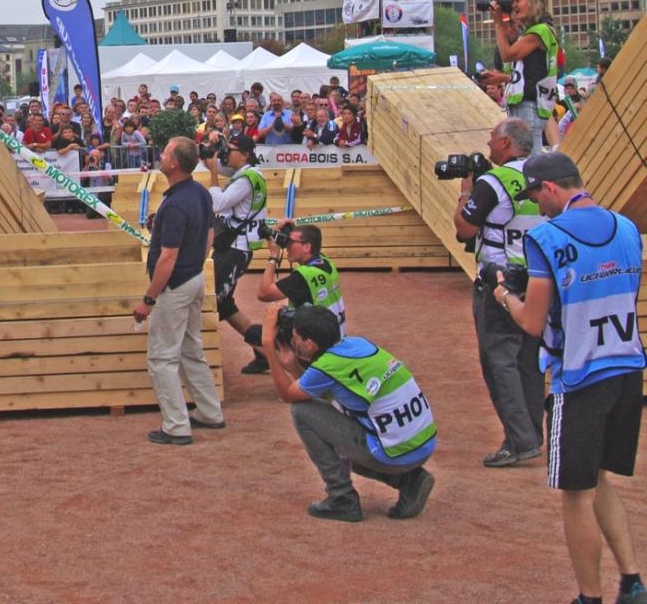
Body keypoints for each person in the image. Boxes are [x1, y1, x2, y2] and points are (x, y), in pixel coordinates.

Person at [492, 151, 646, 604]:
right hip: (625, 367)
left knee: (576, 494)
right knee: (598, 480)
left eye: (536, 195)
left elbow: (532, 322)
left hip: (578, 378)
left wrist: (502, 292)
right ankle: (633, 580)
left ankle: (589, 596)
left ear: (551, 188)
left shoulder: (546, 237)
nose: (535, 206)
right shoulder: (626, 228)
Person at [261, 303, 437, 522]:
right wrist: (293, 366)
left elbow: (289, 395)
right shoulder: (356, 344)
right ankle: (410, 480)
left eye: (295, 337)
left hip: (395, 454)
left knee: (302, 412)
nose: (292, 340)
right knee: (334, 419)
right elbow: (322, 391)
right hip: (422, 445)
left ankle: (342, 498)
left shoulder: (327, 367)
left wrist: (268, 345)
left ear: (309, 344)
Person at [453, 118, 546, 467]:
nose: (488, 145)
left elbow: (464, 228)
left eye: (492, 139)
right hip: (538, 278)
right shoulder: (543, 174)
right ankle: (531, 434)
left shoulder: (494, 180)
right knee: (529, 361)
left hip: (500, 280)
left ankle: (520, 440)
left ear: (506, 143)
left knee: (498, 361)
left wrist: (466, 190)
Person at [134, 137, 223, 445]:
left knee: (161, 358)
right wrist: (196, 261)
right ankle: (210, 412)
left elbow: (167, 258)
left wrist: (149, 299)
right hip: (195, 277)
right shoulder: (199, 192)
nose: (161, 155)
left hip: (175, 285)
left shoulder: (175, 203)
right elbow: (208, 232)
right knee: (190, 349)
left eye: (165, 152)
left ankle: (176, 426)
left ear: (173, 163)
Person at [243, 221, 347, 374]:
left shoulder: (302, 277)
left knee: (254, 333)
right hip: (335, 338)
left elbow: (263, 293)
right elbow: (308, 239)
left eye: (291, 243)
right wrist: (290, 231)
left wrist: (273, 256)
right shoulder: (325, 262)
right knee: (285, 312)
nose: (287, 247)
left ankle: (298, 371)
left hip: (315, 347)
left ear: (307, 247)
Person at [203, 132, 268, 372]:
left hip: (235, 248)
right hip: (233, 246)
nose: (226, 154)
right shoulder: (249, 174)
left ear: (245, 154)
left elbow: (218, 203)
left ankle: (277, 355)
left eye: (230, 150)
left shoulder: (246, 178)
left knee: (213, 303)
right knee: (226, 304)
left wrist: (211, 172)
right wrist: (211, 154)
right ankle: (263, 351)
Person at [490, 0, 559, 149]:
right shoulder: (530, 30)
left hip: (530, 103)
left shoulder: (539, 31)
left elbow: (507, 55)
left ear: (531, 1)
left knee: (529, 156)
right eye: (512, 1)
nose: (514, 5)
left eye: (517, 1)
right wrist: (502, 1)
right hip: (524, 102)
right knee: (522, 156)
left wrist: (498, 23)